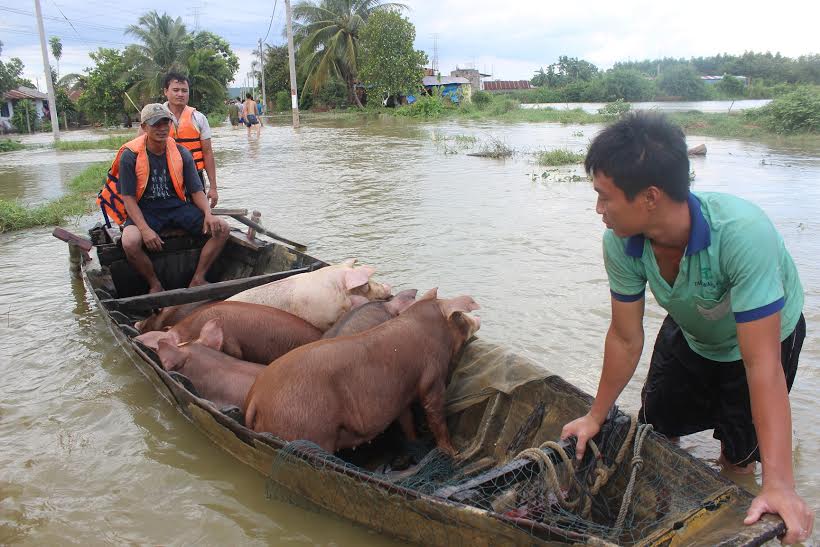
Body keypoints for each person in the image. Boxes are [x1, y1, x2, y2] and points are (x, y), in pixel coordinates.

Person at [561, 112, 813, 545]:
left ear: (650, 197)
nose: (598, 209)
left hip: (760, 342)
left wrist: (780, 485)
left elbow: (762, 365)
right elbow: (625, 337)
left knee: (738, 455)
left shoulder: (741, 234)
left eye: (605, 197)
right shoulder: (621, 240)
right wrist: (594, 415)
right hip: (694, 328)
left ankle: (740, 509)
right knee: (656, 429)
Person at [97, 103, 229, 293]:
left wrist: (208, 214)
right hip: (145, 210)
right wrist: (145, 229)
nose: (162, 129)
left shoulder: (182, 152)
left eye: (165, 123)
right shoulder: (130, 156)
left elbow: (196, 191)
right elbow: (128, 199)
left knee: (222, 229)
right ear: (144, 128)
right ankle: (154, 283)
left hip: (176, 207)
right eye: (155, 124)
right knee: (130, 242)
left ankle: (199, 278)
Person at [162, 72, 219, 208]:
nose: (180, 94)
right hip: (163, 177)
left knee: (198, 216)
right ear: (166, 91)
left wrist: (213, 187)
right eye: (175, 90)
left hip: (194, 177)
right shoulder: (154, 117)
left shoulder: (199, 118)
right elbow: (139, 150)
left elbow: (207, 153)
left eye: (184, 91)